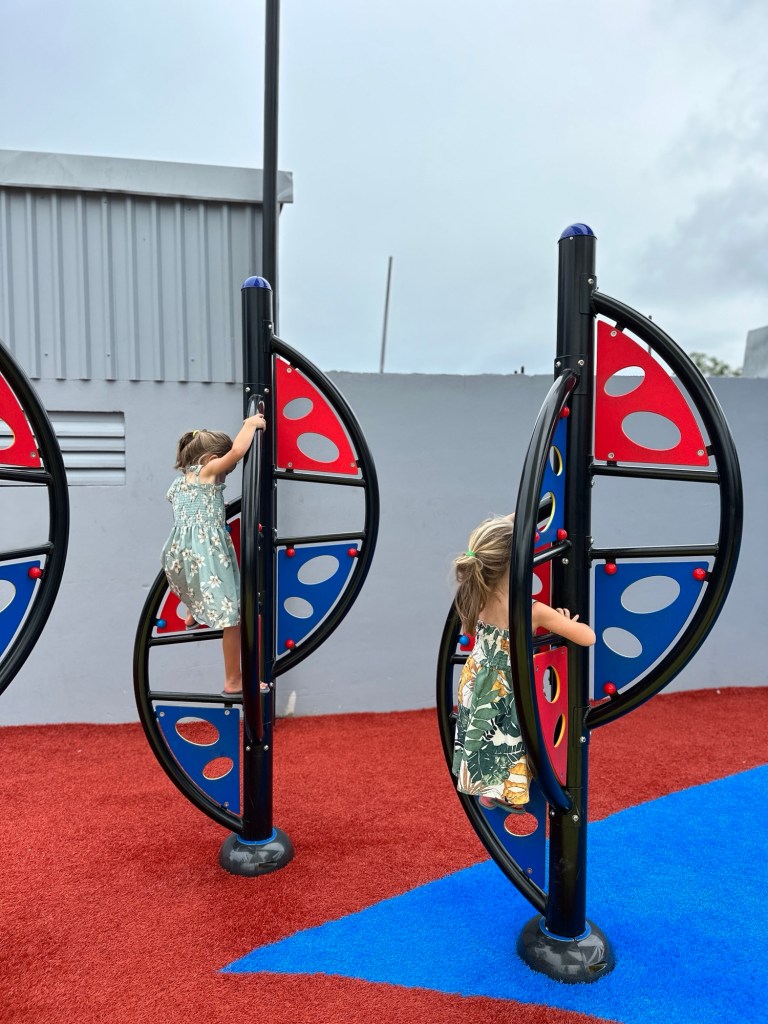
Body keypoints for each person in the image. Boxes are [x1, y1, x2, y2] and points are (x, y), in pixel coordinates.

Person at [451, 513, 596, 812]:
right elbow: (587, 637)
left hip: (477, 677)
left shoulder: (475, 592)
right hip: (508, 685)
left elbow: (492, 537)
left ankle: (486, 789)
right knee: (513, 737)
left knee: (487, 734)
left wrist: (526, 513)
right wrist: (565, 622)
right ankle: (507, 794)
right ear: (515, 561)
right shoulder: (531, 609)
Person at [161, 417, 266, 695]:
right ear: (211, 460)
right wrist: (250, 425)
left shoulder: (179, 483)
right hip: (206, 553)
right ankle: (234, 679)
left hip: (180, 552)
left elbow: (188, 505)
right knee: (233, 617)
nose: (223, 478)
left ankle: (191, 615)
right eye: (225, 472)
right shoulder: (206, 472)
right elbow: (238, 451)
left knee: (195, 581)